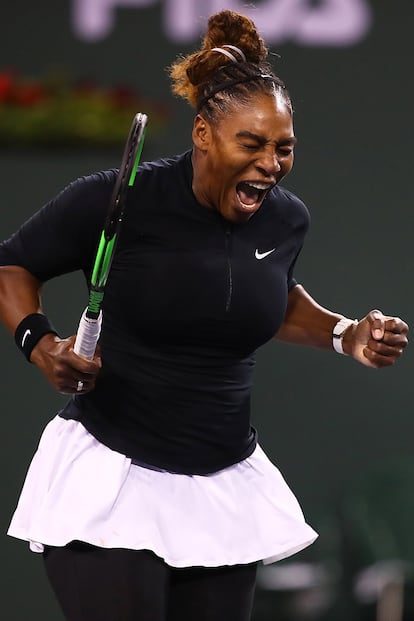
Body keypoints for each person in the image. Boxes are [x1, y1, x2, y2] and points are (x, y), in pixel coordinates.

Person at [0, 9, 408, 621]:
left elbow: (263, 298)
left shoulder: (285, 218)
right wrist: (40, 343)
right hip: (113, 479)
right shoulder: (117, 197)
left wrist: (345, 333)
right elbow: (12, 267)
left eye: (284, 147)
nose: (271, 163)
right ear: (202, 136)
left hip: (222, 487)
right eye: (252, 143)